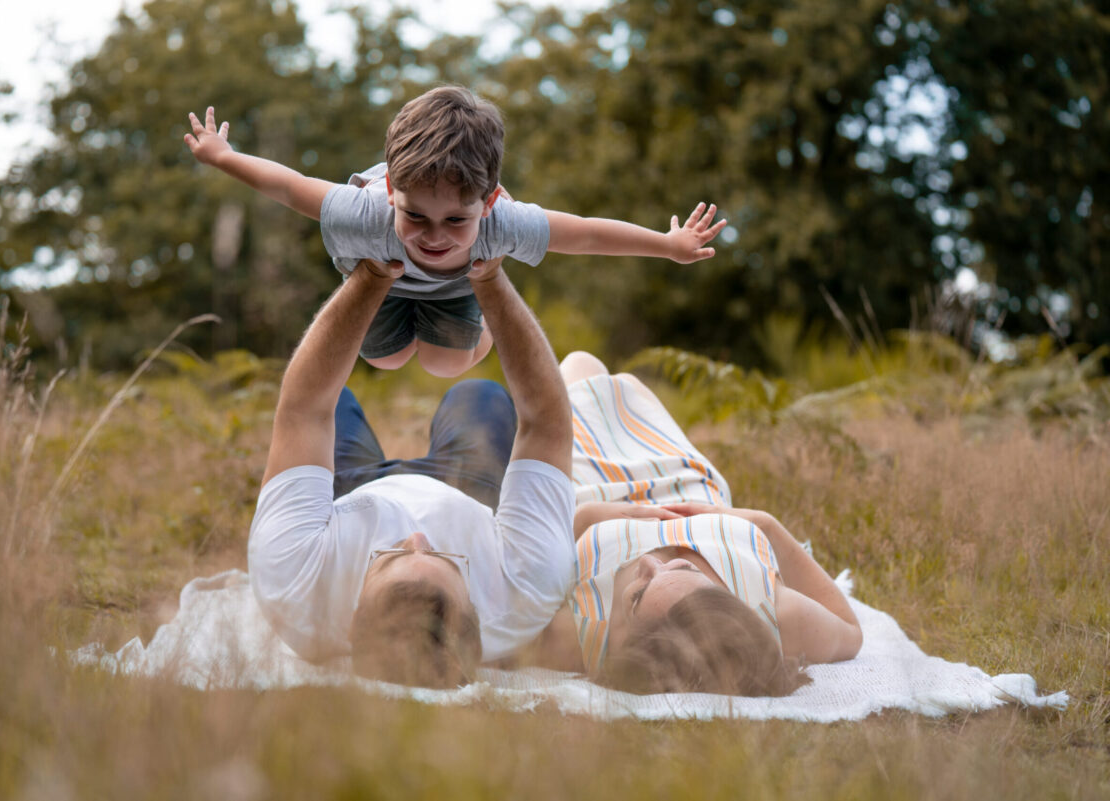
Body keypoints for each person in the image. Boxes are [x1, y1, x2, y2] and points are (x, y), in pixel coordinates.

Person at [183, 86, 727, 377]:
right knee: (384, 358)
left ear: (487, 203)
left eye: (455, 220)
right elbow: (292, 187)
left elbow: (584, 234)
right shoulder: (366, 213)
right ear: (393, 187)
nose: (434, 235)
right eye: (415, 215)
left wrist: (667, 245)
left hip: (461, 287)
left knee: (445, 366)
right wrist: (224, 156)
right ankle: (415, 285)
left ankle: (483, 321)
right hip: (386, 284)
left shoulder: (497, 224)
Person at [246, 255, 576, 689]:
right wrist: (489, 276)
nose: (417, 537)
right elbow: (546, 422)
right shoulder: (526, 592)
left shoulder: (294, 587)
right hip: (470, 494)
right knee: (478, 394)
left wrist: (375, 271)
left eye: (392, 557)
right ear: (480, 615)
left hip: (347, 499)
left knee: (333, 396)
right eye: (445, 558)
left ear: (349, 623)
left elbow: (304, 409)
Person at [514, 352, 863, 696]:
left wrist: (580, 520)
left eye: (638, 593)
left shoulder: (585, 637)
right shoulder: (776, 615)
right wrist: (765, 525)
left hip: (590, 482)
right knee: (626, 385)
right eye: (686, 568)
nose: (652, 561)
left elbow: (499, 612)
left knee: (581, 364)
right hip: (681, 476)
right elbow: (850, 630)